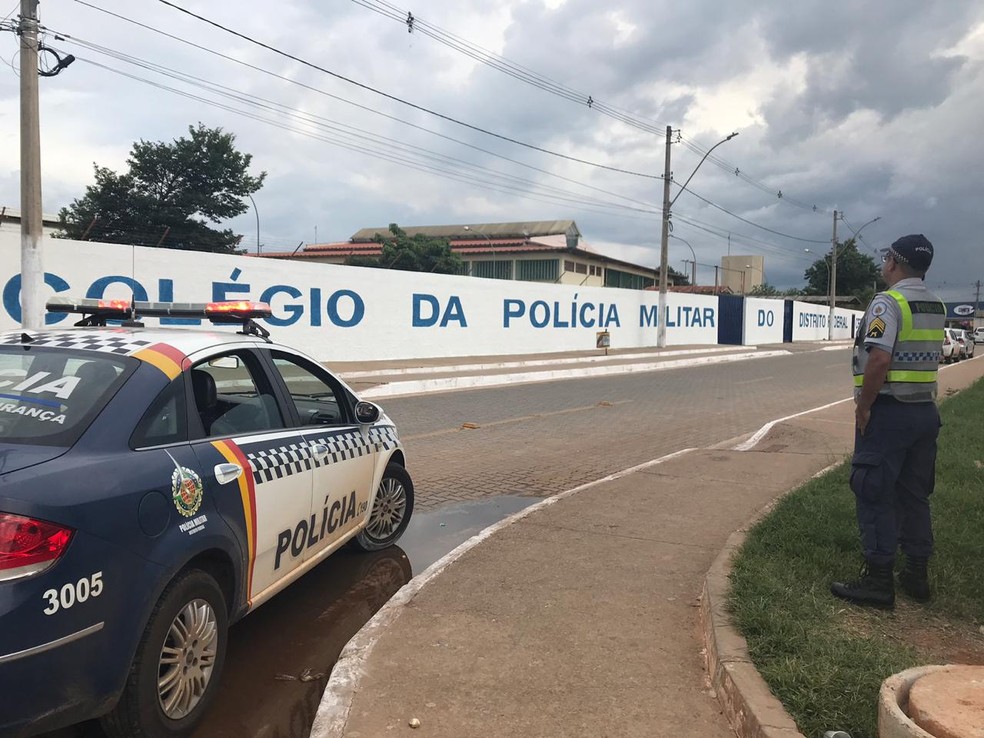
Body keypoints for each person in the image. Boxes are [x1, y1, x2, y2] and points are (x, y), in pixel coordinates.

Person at [830, 234, 946, 609]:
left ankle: (878, 581)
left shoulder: (888, 302)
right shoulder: (936, 304)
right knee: (914, 493)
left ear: (894, 263)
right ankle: (916, 573)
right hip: (924, 412)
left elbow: (879, 359)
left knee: (873, 490)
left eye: (886, 258)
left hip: (890, 411)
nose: (884, 265)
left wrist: (865, 407)